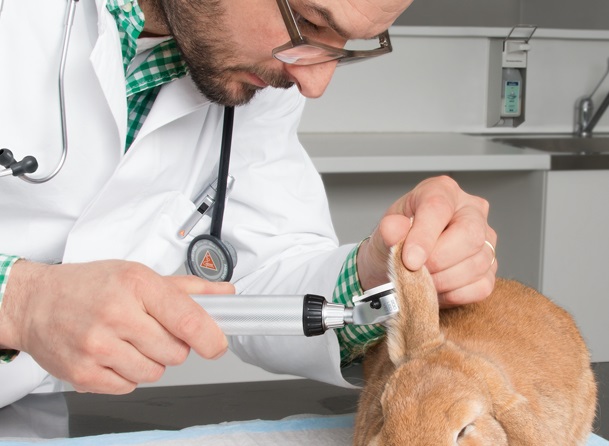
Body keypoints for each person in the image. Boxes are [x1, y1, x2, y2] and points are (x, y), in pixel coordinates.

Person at [0, 0, 497, 408]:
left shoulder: (258, 73)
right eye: (308, 21)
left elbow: (265, 270)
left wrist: (374, 273)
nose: (315, 84)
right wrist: (20, 303)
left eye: (346, 44)